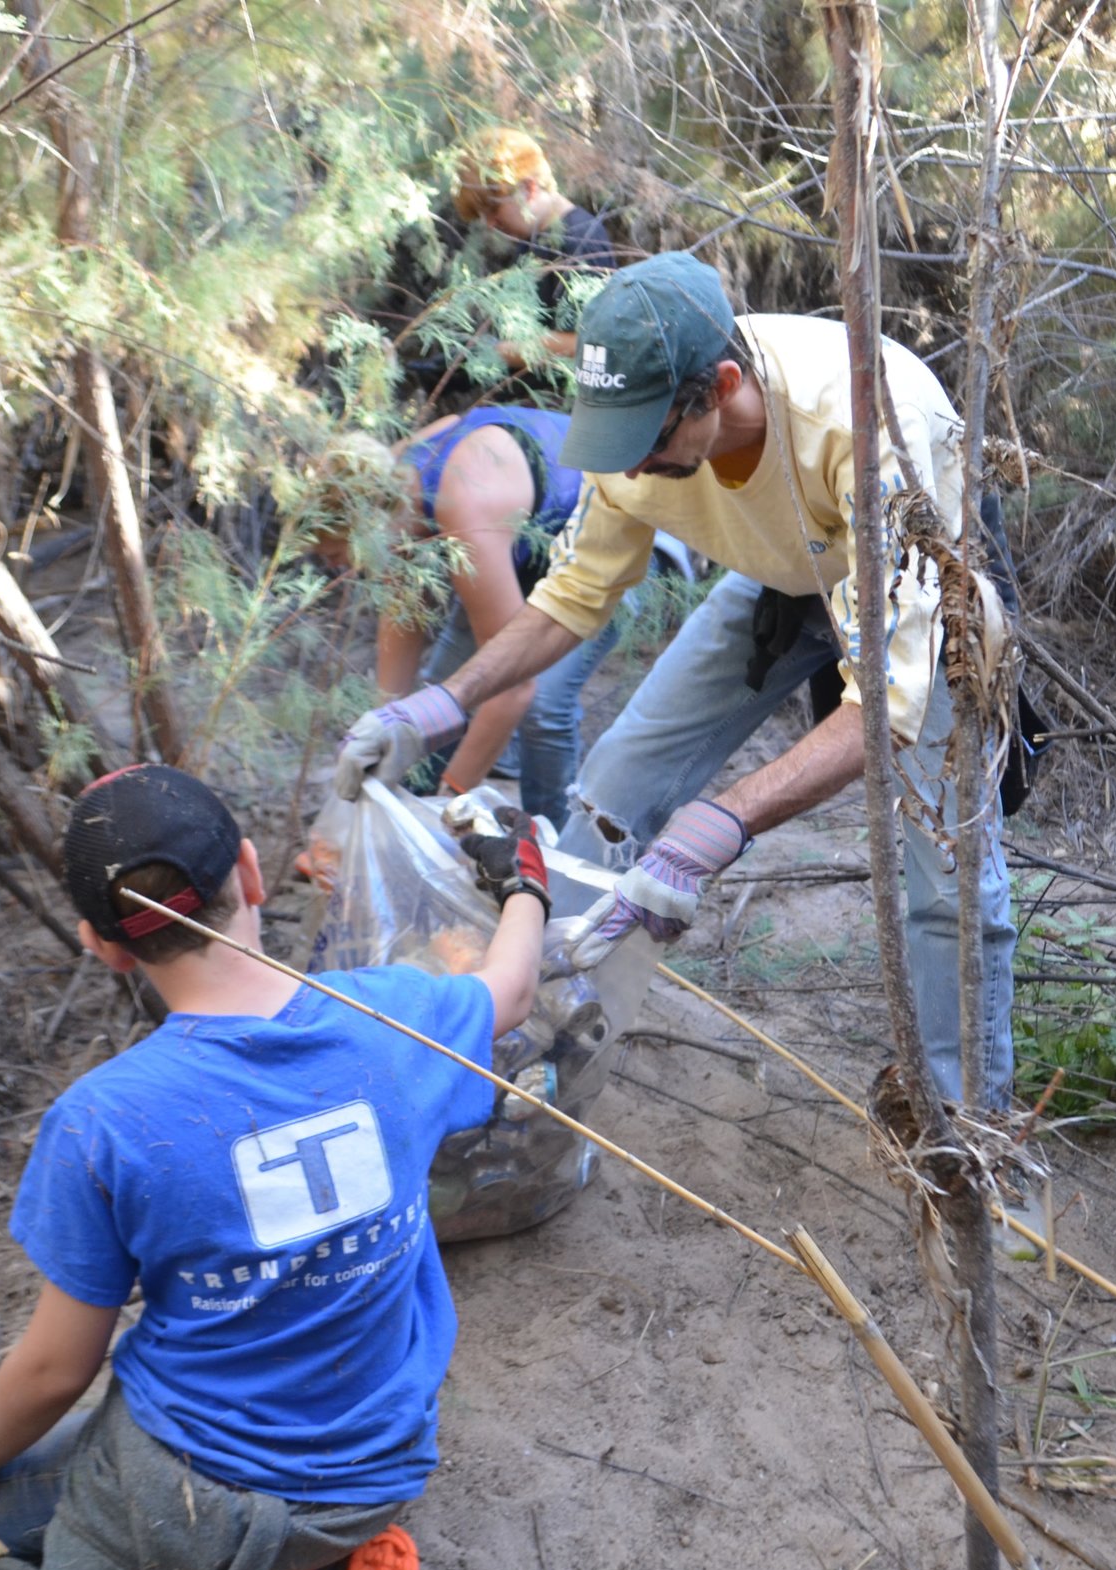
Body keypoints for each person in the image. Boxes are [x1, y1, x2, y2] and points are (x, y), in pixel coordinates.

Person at [332, 252, 1025, 1131]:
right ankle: (529, 1039)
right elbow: (572, 596)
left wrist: (719, 826)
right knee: (617, 787)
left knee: (949, 876)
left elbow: (885, 705)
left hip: (922, 578)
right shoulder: (637, 442)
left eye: (649, 440)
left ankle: (969, 1128)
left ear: (721, 387)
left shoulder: (857, 425)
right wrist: (436, 705)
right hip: (781, 573)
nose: (631, 465)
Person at [0, 763, 553, 1570]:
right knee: (71, 1500)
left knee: (0, 1541)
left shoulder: (104, 1123)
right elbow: (509, 990)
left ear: (103, 944)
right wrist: (522, 885)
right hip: (380, 1464)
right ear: (250, 871)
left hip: (198, 1489)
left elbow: (57, 1372)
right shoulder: (398, 1019)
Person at [304, 409, 616, 828]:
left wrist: (449, 812)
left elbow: (512, 688)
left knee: (543, 703)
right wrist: (382, 730)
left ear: (366, 523)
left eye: (339, 554)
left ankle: (554, 847)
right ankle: (396, 815)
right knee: (441, 689)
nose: (344, 571)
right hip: (524, 547)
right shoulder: (395, 485)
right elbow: (407, 621)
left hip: (620, 541)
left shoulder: (465, 504)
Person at [450, 126, 613, 367]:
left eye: (493, 210)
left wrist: (505, 351)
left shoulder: (582, 240)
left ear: (528, 188)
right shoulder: (531, 239)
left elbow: (593, 345)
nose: (490, 224)